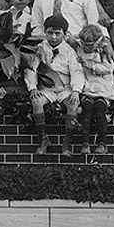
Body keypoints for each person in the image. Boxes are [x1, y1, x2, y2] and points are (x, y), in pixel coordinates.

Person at [24, 14, 84, 156]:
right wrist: (32, 88)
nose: (54, 37)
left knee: (73, 104)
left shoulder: (70, 51)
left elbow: (77, 71)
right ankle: (43, 139)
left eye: (58, 33)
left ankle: (67, 143)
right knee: (36, 101)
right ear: (45, 32)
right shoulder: (39, 49)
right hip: (47, 89)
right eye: (50, 33)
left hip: (65, 88)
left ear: (65, 34)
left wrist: (76, 90)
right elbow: (31, 69)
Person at [76, 24, 114, 154]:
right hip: (88, 86)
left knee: (100, 108)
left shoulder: (104, 53)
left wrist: (92, 66)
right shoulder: (80, 50)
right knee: (87, 106)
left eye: (89, 45)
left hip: (102, 86)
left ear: (97, 42)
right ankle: (85, 143)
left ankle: (102, 143)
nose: (86, 47)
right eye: (84, 44)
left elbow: (108, 69)